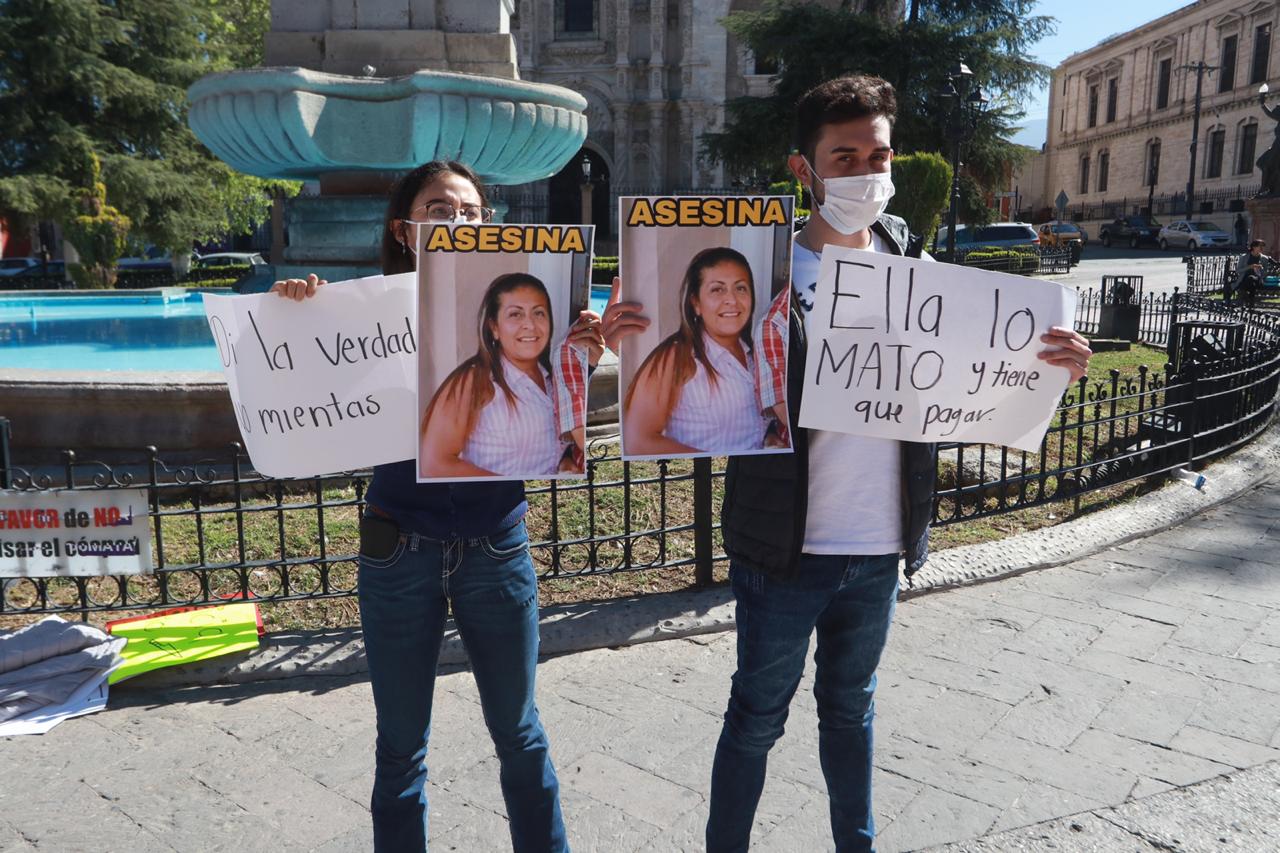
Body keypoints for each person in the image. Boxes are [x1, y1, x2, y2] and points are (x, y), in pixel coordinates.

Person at [604, 74, 1093, 853]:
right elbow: (687, 361)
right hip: (782, 551)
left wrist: (1051, 365)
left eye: (880, 153)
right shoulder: (758, 269)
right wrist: (622, 334)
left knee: (852, 711)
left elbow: (969, 365)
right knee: (756, 718)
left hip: (878, 548)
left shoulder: (907, 253)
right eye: (846, 155)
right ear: (805, 170)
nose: (868, 171)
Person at [272, 160, 603, 853]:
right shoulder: (363, 314)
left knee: (519, 731)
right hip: (399, 549)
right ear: (405, 227)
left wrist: (582, 357)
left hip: (496, 544)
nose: (458, 222)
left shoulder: (521, 315)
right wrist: (297, 312)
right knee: (400, 746)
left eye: (472, 212)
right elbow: (308, 386)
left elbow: (555, 422)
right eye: (440, 210)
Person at [420, 272, 582, 478]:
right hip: (496, 507)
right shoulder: (473, 380)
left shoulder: (555, 380)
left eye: (539, 313)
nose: (530, 325)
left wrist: (565, 462)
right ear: (494, 327)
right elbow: (435, 464)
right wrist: (508, 490)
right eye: (516, 314)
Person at [622, 246, 775, 455]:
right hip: (708, 483)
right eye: (717, 289)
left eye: (740, 288)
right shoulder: (676, 357)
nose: (731, 299)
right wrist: (716, 466)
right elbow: (639, 443)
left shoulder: (761, 354)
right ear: (696, 303)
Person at [1234, 239, 1273, 307]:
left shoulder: (1264, 258)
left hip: (1258, 280)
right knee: (1250, 280)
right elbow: (1238, 270)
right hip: (1244, 279)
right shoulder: (1244, 257)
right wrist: (1250, 267)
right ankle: (1251, 302)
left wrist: (1261, 269)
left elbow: (1265, 273)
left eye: (1263, 246)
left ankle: (1242, 297)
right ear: (1254, 247)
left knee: (1251, 278)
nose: (1261, 248)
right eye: (1259, 246)